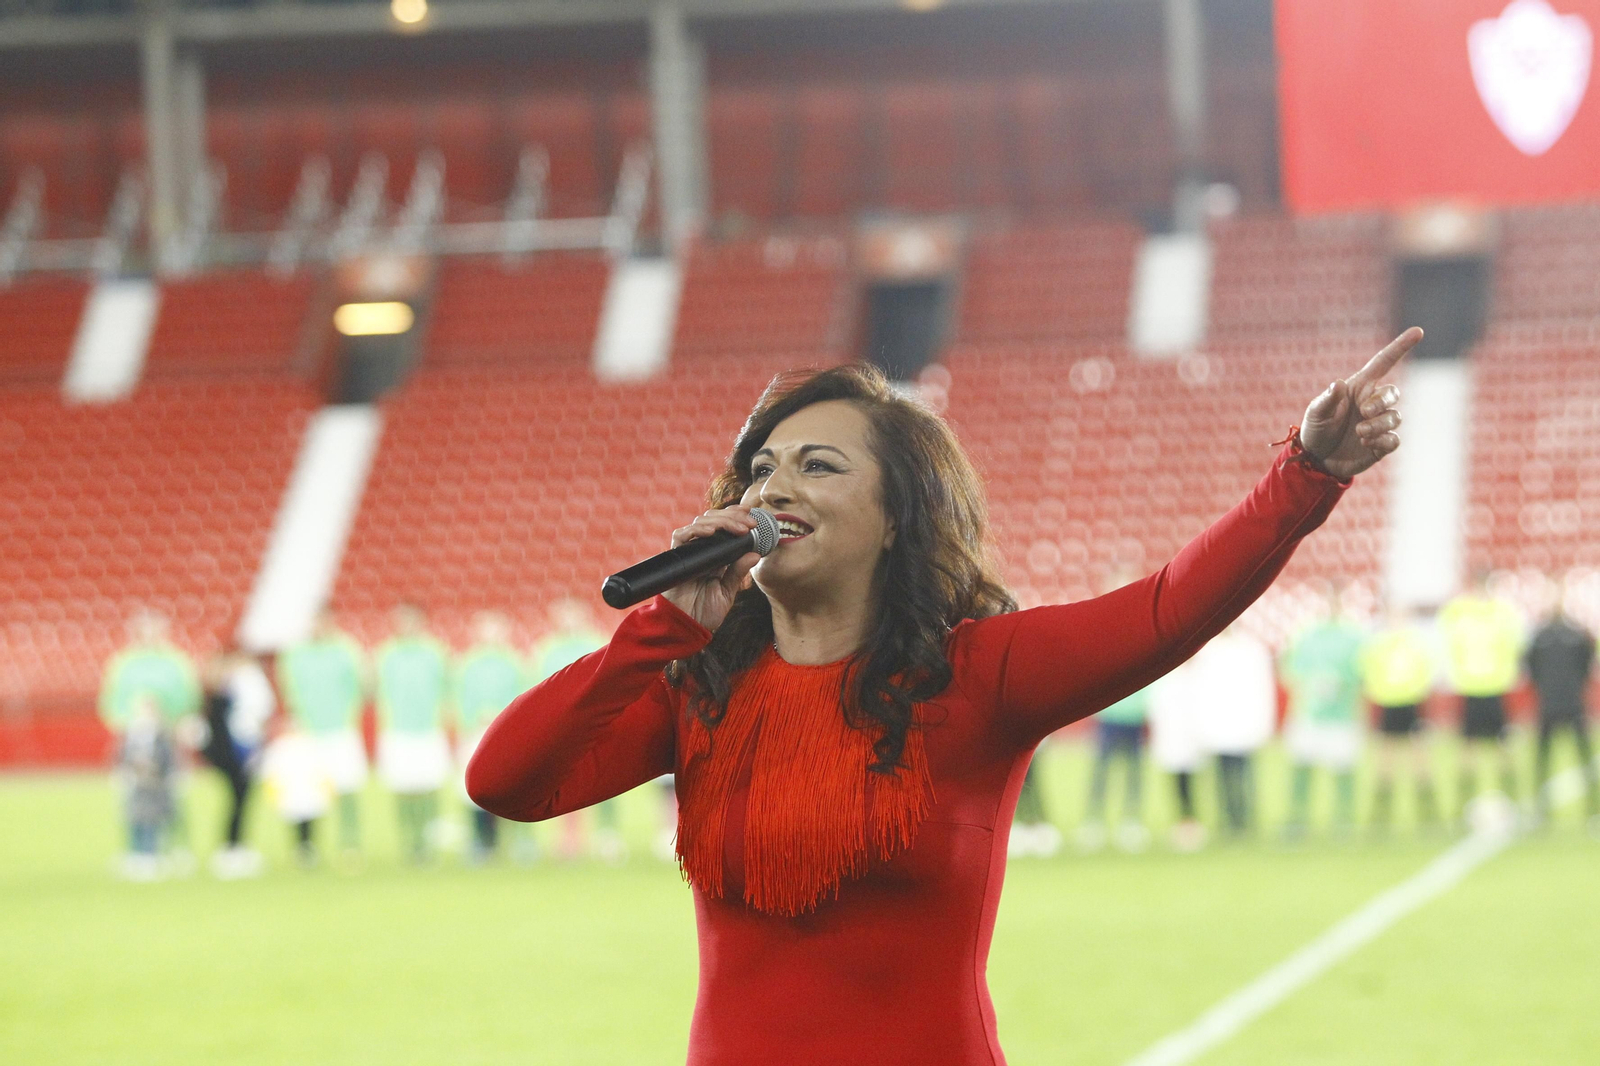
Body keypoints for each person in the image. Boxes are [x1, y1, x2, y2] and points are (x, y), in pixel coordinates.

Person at [468, 330, 1413, 1065]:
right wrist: (662, 630)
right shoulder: (698, 689)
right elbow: (504, 782)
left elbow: (1167, 608)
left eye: (818, 465)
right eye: (761, 469)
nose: (774, 487)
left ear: (895, 519)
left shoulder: (977, 675)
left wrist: (1306, 473)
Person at [100, 610, 201, 872]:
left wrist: (175, 723)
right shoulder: (124, 662)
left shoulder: (176, 661)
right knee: (131, 800)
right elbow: (112, 700)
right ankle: (136, 849)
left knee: (172, 798)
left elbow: (188, 697)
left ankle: (175, 847)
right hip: (134, 738)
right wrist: (130, 726)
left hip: (168, 736)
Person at [528, 598, 617, 862]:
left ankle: (607, 834)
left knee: (606, 779)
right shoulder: (547, 649)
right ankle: (569, 838)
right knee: (564, 784)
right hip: (562, 728)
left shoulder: (598, 643)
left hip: (597, 723)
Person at [277, 607, 369, 860]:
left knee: (346, 788)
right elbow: (290, 690)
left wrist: (349, 716)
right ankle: (306, 845)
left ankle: (349, 843)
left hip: (340, 729)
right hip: (307, 732)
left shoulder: (345, 650)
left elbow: (357, 687)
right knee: (305, 792)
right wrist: (296, 719)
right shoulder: (296, 654)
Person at [1280, 586, 1366, 839]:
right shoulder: (1307, 636)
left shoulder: (1353, 637)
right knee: (1302, 770)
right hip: (1309, 715)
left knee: (1343, 771)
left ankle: (1344, 821)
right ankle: (1297, 819)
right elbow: (1292, 671)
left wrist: (1342, 684)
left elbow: (1361, 673)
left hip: (1341, 716)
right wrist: (1312, 686)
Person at [1439, 572, 1524, 823]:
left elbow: (1515, 644)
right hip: (1470, 688)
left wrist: (1508, 674)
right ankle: (1464, 802)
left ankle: (1512, 800)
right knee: (1468, 749)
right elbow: (1447, 641)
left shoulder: (1503, 612)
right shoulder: (1459, 612)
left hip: (1496, 688)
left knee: (1503, 747)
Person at [375, 603, 453, 864]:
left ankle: (427, 842)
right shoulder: (387, 654)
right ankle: (409, 841)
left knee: (430, 787)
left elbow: (446, 689)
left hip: (428, 728)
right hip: (397, 729)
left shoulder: (435, 653)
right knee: (402, 788)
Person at [1523, 577, 1599, 832]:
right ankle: (1542, 809)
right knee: (1544, 759)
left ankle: (1592, 807)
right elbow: (1531, 667)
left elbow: (1586, 665)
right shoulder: (1541, 636)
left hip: (1568, 703)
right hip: (1554, 704)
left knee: (1582, 758)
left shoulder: (1572, 635)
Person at [453, 611, 528, 862]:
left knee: (514, 787)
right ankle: (482, 842)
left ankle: (518, 841)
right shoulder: (467, 663)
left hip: (507, 733)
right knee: (474, 790)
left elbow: (524, 695)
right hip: (474, 733)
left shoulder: (514, 663)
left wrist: (503, 718)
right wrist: (472, 720)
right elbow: (459, 698)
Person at [1361, 602, 1442, 832]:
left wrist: (1418, 694)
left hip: (1411, 704)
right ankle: (1381, 815)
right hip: (1388, 704)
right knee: (1385, 761)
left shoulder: (1415, 643)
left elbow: (1425, 672)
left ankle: (1428, 813)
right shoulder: (1378, 645)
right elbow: (1370, 673)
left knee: (1420, 759)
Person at [1193, 621, 1277, 839]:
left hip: (1243, 726)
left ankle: (1245, 819)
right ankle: (1228, 820)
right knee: (1223, 778)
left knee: (1243, 775)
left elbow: (1262, 690)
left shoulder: (1251, 650)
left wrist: (1263, 723)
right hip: (1219, 728)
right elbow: (1201, 693)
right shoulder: (1210, 652)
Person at [198, 647, 276, 879]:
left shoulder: (227, 693)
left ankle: (235, 846)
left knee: (240, 801)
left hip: (237, 755)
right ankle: (231, 848)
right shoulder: (222, 696)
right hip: (232, 757)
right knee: (237, 800)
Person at [1078, 683, 1152, 853]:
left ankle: (1131, 822)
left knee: (1133, 775)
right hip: (1109, 717)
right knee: (1101, 775)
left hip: (1136, 717)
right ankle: (1093, 822)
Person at [114, 696, 178, 881]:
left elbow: (167, 760)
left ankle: (151, 855)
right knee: (134, 819)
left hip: (155, 784)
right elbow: (122, 757)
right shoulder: (131, 736)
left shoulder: (162, 736)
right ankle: (135, 853)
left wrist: (156, 771)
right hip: (136, 784)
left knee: (152, 820)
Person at [260, 719, 335, 868]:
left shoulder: (308, 745)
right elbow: (272, 771)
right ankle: (301, 848)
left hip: (308, 792)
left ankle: (307, 847)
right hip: (293, 793)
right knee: (297, 822)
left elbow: (322, 769)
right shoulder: (282, 747)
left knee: (309, 822)